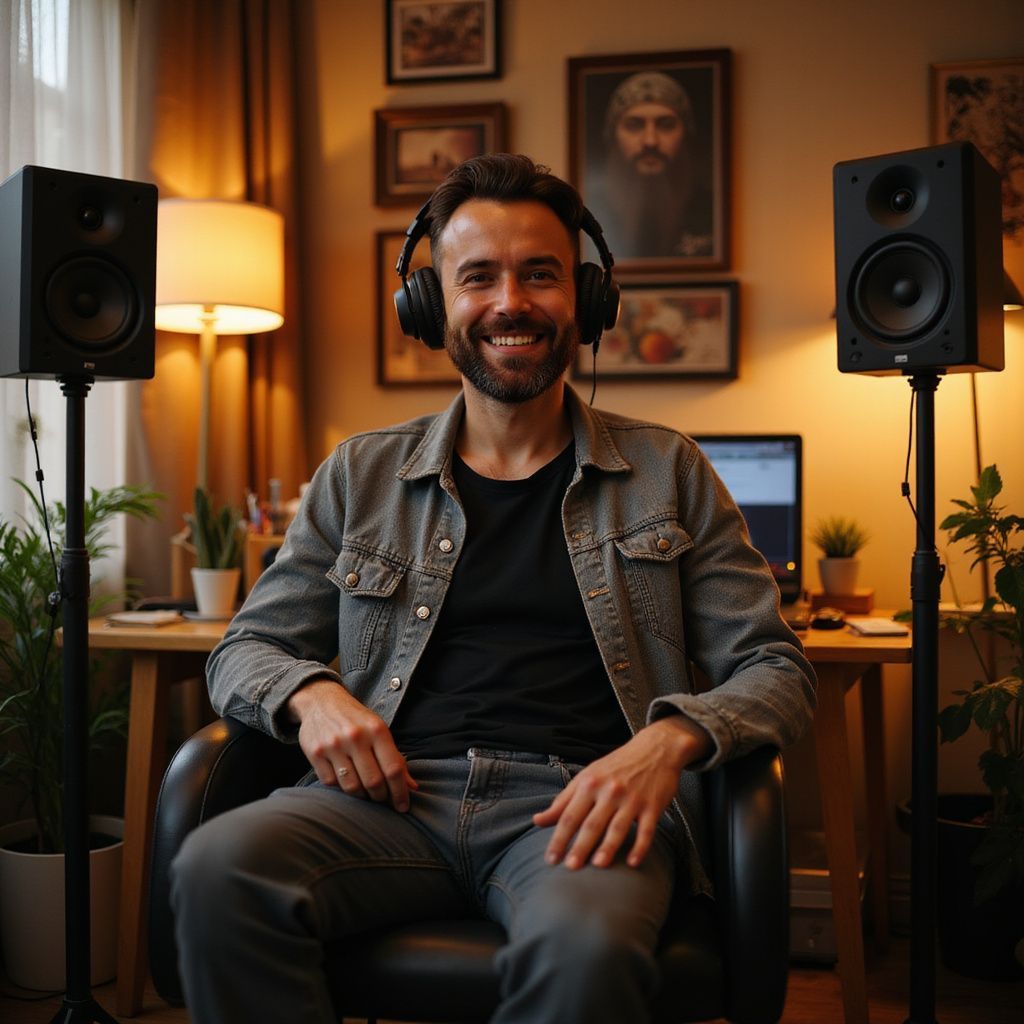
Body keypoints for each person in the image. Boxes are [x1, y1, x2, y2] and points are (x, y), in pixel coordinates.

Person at [170, 153, 815, 1024]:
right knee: (217, 870)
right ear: (433, 307)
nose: (510, 302)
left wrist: (667, 745)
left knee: (581, 953)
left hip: (582, 808)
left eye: (540, 274)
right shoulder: (360, 474)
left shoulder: (670, 472)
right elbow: (244, 648)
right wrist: (310, 695)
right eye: (478, 278)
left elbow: (775, 669)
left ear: (583, 301)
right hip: (388, 801)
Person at [589, 70, 714, 260]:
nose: (650, 141)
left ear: (686, 133)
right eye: (634, 125)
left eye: (666, 125)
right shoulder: (588, 211)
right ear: (612, 135)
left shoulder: (711, 211)